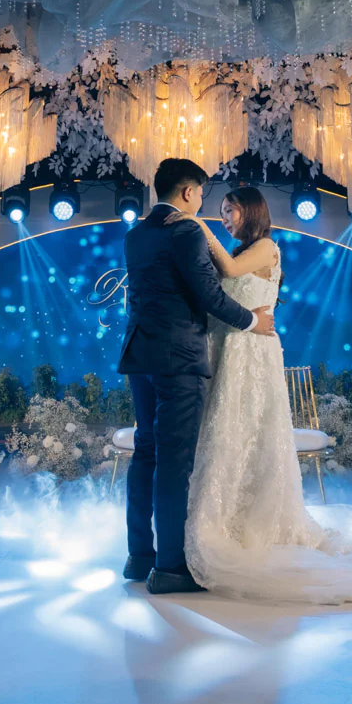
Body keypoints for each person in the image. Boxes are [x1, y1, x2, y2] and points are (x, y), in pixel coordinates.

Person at [163, 184, 352, 603]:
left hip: (250, 353)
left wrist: (198, 228)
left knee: (247, 432)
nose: (225, 219)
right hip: (231, 348)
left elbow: (228, 273)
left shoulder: (264, 248)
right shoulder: (245, 249)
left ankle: (245, 523)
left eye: (230, 212)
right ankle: (225, 517)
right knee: (228, 434)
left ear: (251, 212)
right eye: (221, 212)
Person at [118, 160, 275, 596]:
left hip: (140, 354)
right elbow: (208, 294)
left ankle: (139, 556)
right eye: (203, 194)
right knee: (174, 459)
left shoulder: (135, 235)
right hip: (179, 358)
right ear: (188, 192)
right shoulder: (184, 231)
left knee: (145, 451)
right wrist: (251, 322)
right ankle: (171, 567)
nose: (204, 203)